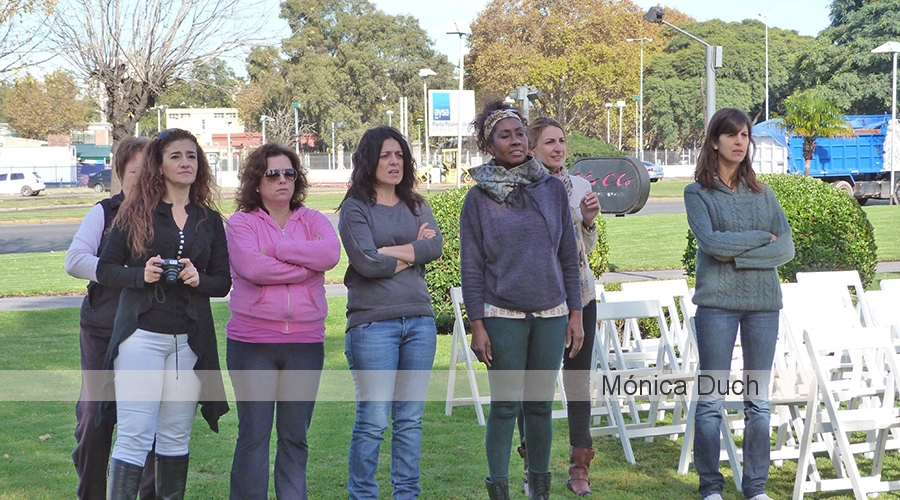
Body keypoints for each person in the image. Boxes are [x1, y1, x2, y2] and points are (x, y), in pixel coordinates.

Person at [96, 128, 231, 500]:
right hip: (142, 338)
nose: (186, 162)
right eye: (175, 156)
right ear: (159, 164)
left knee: (175, 435)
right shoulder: (135, 212)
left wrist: (196, 278)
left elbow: (222, 282)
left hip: (189, 342)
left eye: (191, 155)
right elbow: (105, 269)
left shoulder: (209, 219)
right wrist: (141, 274)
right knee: (135, 433)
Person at [460, 101, 583, 500]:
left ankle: (539, 490)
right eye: (504, 135)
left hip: (552, 313)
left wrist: (575, 313)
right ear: (489, 144)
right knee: (506, 406)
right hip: (501, 315)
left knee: (540, 407)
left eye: (519, 133)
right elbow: (472, 266)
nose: (515, 141)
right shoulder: (478, 199)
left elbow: (568, 254)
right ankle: (499, 490)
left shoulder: (549, 188)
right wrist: (477, 324)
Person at [684, 108, 794, 500]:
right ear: (715, 140)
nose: (739, 141)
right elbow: (711, 244)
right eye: (731, 135)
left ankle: (756, 489)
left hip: (764, 304)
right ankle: (711, 488)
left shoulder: (765, 194)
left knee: (758, 401)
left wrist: (739, 256)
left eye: (745, 135)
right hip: (716, 304)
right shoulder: (697, 192)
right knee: (712, 398)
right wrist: (757, 240)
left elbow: (785, 247)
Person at [225, 143, 340, 499]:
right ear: (256, 181)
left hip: (305, 344)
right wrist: (306, 265)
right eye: (272, 173)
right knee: (254, 435)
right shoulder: (241, 223)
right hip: (252, 343)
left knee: (295, 437)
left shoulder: (313, 219)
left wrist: (276, 249)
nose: (282, 181)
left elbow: (331, 254)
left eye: (289, 173)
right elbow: (251, 268)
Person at [338, 126, 443, 500]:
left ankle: (406, 495)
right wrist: (413, 249)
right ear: (369, 160)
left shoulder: (416, 204)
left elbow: (436, 249)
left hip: (419, 321)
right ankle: (363, 495)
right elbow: (366, 263)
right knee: (373, 420)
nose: (394, 161)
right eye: (385, 155)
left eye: (399, 155)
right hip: (371, 325)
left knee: (410, 421)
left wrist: (389, 251)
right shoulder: (354, 208)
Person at [65, 137, 157, 500]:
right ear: (121, 174)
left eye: (150, 172)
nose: (143, 180)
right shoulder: (104, 212)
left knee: (150, 423)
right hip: (103, 328)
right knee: (93, 418)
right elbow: (74, 260)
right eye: (136, 172)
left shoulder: (171, 215)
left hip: (151, 330)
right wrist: (123, 274)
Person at [520, 116, 600, 496]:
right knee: (534, 384)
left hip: (580, 294)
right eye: (549, 142)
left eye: (562, 141)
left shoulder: (579, 185)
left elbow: (584, 250)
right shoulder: (524, 186)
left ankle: (579, 467)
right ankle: (531, 464)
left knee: (577, 381)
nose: (558, 148)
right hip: (539, 298)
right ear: (532, 148)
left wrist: (587, 221)